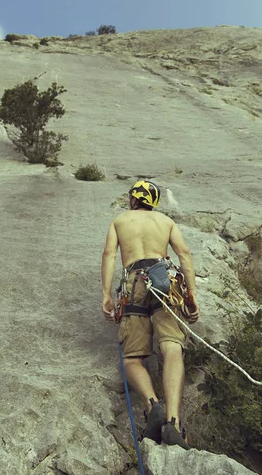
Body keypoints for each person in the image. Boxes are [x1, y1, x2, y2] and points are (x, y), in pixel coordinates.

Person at [101, 180, 200, 449]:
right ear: (154, 202)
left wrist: (106, 294)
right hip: (165, 279)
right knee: (171, 348)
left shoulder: (120, 220)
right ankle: (174, 423)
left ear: (133, 199)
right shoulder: (165, 221)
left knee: (131, 358)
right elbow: (184, 253)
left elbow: (110, 254)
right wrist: (190, 294)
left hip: (135, 283)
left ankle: (152, 405)